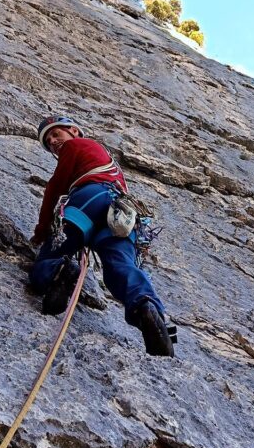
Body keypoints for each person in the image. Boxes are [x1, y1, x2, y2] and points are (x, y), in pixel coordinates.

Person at [29, 115, 174, 357]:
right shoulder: (108, 160)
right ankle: (147, 308)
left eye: (56, 134)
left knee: (54, 252)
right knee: (120, 264)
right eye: (48, 141)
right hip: (119, 213)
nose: (53, 141)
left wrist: (42, 229)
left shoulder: (75, 146)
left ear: (74, 131)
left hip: (89, 199)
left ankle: (57, 272)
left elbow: (55, 187)